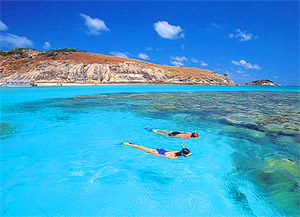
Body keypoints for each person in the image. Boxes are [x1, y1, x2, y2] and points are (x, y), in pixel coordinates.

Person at [123, 142, 192, 160]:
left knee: (142, 147)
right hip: (158, 152)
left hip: (162, 150)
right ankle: (128, 144)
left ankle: (130, 144)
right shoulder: (174, 157)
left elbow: (168, 151)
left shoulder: (176, 151)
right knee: (141, 148)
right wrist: (153, 154)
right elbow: (162, 156)